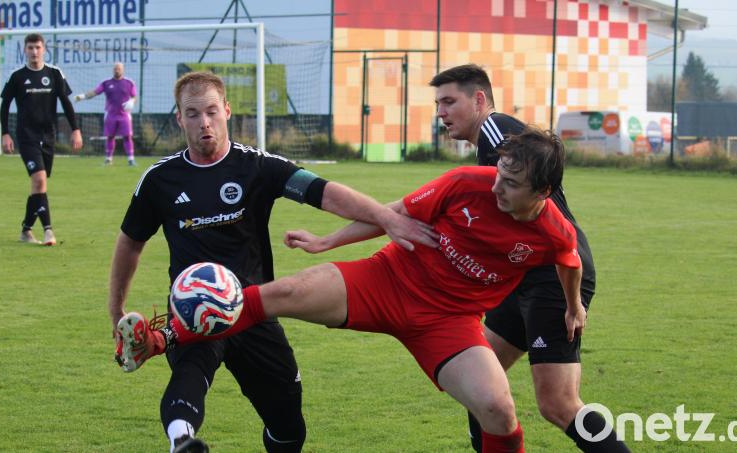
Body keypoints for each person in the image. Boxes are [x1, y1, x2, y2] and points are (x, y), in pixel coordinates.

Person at [116, 125, 586, 453]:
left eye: (512, 183)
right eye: (499, 173)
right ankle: (161, 339)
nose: (498, 186)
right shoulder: (466, 182)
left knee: (498, 408)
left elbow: (570, 263)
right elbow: (392, 213)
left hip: (449, 323)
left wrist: (572, 309)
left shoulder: (553, 230)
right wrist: (327, 241)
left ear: (542, 192)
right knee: (285, 293)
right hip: (386, 281)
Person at [108, 71, 435, 453]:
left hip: (256, 306)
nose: (204, 123)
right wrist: (116, 313)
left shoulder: (257, 167)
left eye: (211, 111)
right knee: (190, 371)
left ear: (227, 111)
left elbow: (323, 192)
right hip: (192, 307)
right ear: (179, 118)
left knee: (288, 423)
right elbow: (130, 243)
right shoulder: (159, 180)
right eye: (193, 113)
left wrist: (387, 217)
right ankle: (181, 441)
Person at [429, 64, 629, 452]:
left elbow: (523, 208)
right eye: (438, 103)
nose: (442, 112)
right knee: (479, 383)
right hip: (525, 272)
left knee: (558, 404)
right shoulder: (493, 142)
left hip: (555, 270)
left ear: (479, 99)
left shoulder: (496, 133)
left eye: (450, 101)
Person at [0, 33, 83, 246]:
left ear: (44, 49)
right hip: (26, 136)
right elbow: (5, 106)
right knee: (39, 180)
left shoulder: (54, 73)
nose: (34, 51)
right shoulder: (17, 76)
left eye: (37, 47)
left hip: (48, 136)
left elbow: (66, 102)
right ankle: (48, 231)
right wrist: (5, 133)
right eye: (30, 48)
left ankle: (26, 230)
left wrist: (75, 129)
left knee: (39, 187)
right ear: (24, 50)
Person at [74, 62, 138, 166]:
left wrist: (132, 101)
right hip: (110, 115)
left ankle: (131, 159)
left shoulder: (129, 83)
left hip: (124, 115)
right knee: (110, 137)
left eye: (119, 68)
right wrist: (82, 96)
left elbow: (134, 97)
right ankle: (108, 159)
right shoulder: (106, 83)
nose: (117, 70)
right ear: (113, 70)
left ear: (123, 70)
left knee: (127, 136)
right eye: (115, 68)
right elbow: (95, 92)